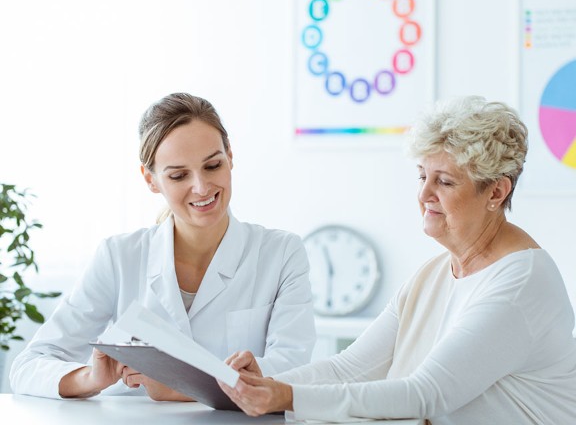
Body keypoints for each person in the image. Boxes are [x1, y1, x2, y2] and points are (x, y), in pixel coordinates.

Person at [218, 96, 576, 424]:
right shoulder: (434, 274)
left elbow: (426, 394)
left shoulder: (522, 283)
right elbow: (352, 368)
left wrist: (286, 396)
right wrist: (262, 383)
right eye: (422, 176)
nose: (423, 194)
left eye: (445, 182)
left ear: (496, 191)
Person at [9, 92, 316, 400]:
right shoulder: (119, 257)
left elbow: (294, 372)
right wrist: (90, 378)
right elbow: (28, 367)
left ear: (230, 157)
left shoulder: (281, 253)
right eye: (179, 175)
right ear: (151, 179)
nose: (201, 187)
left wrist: (177, 387)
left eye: (212, 166)